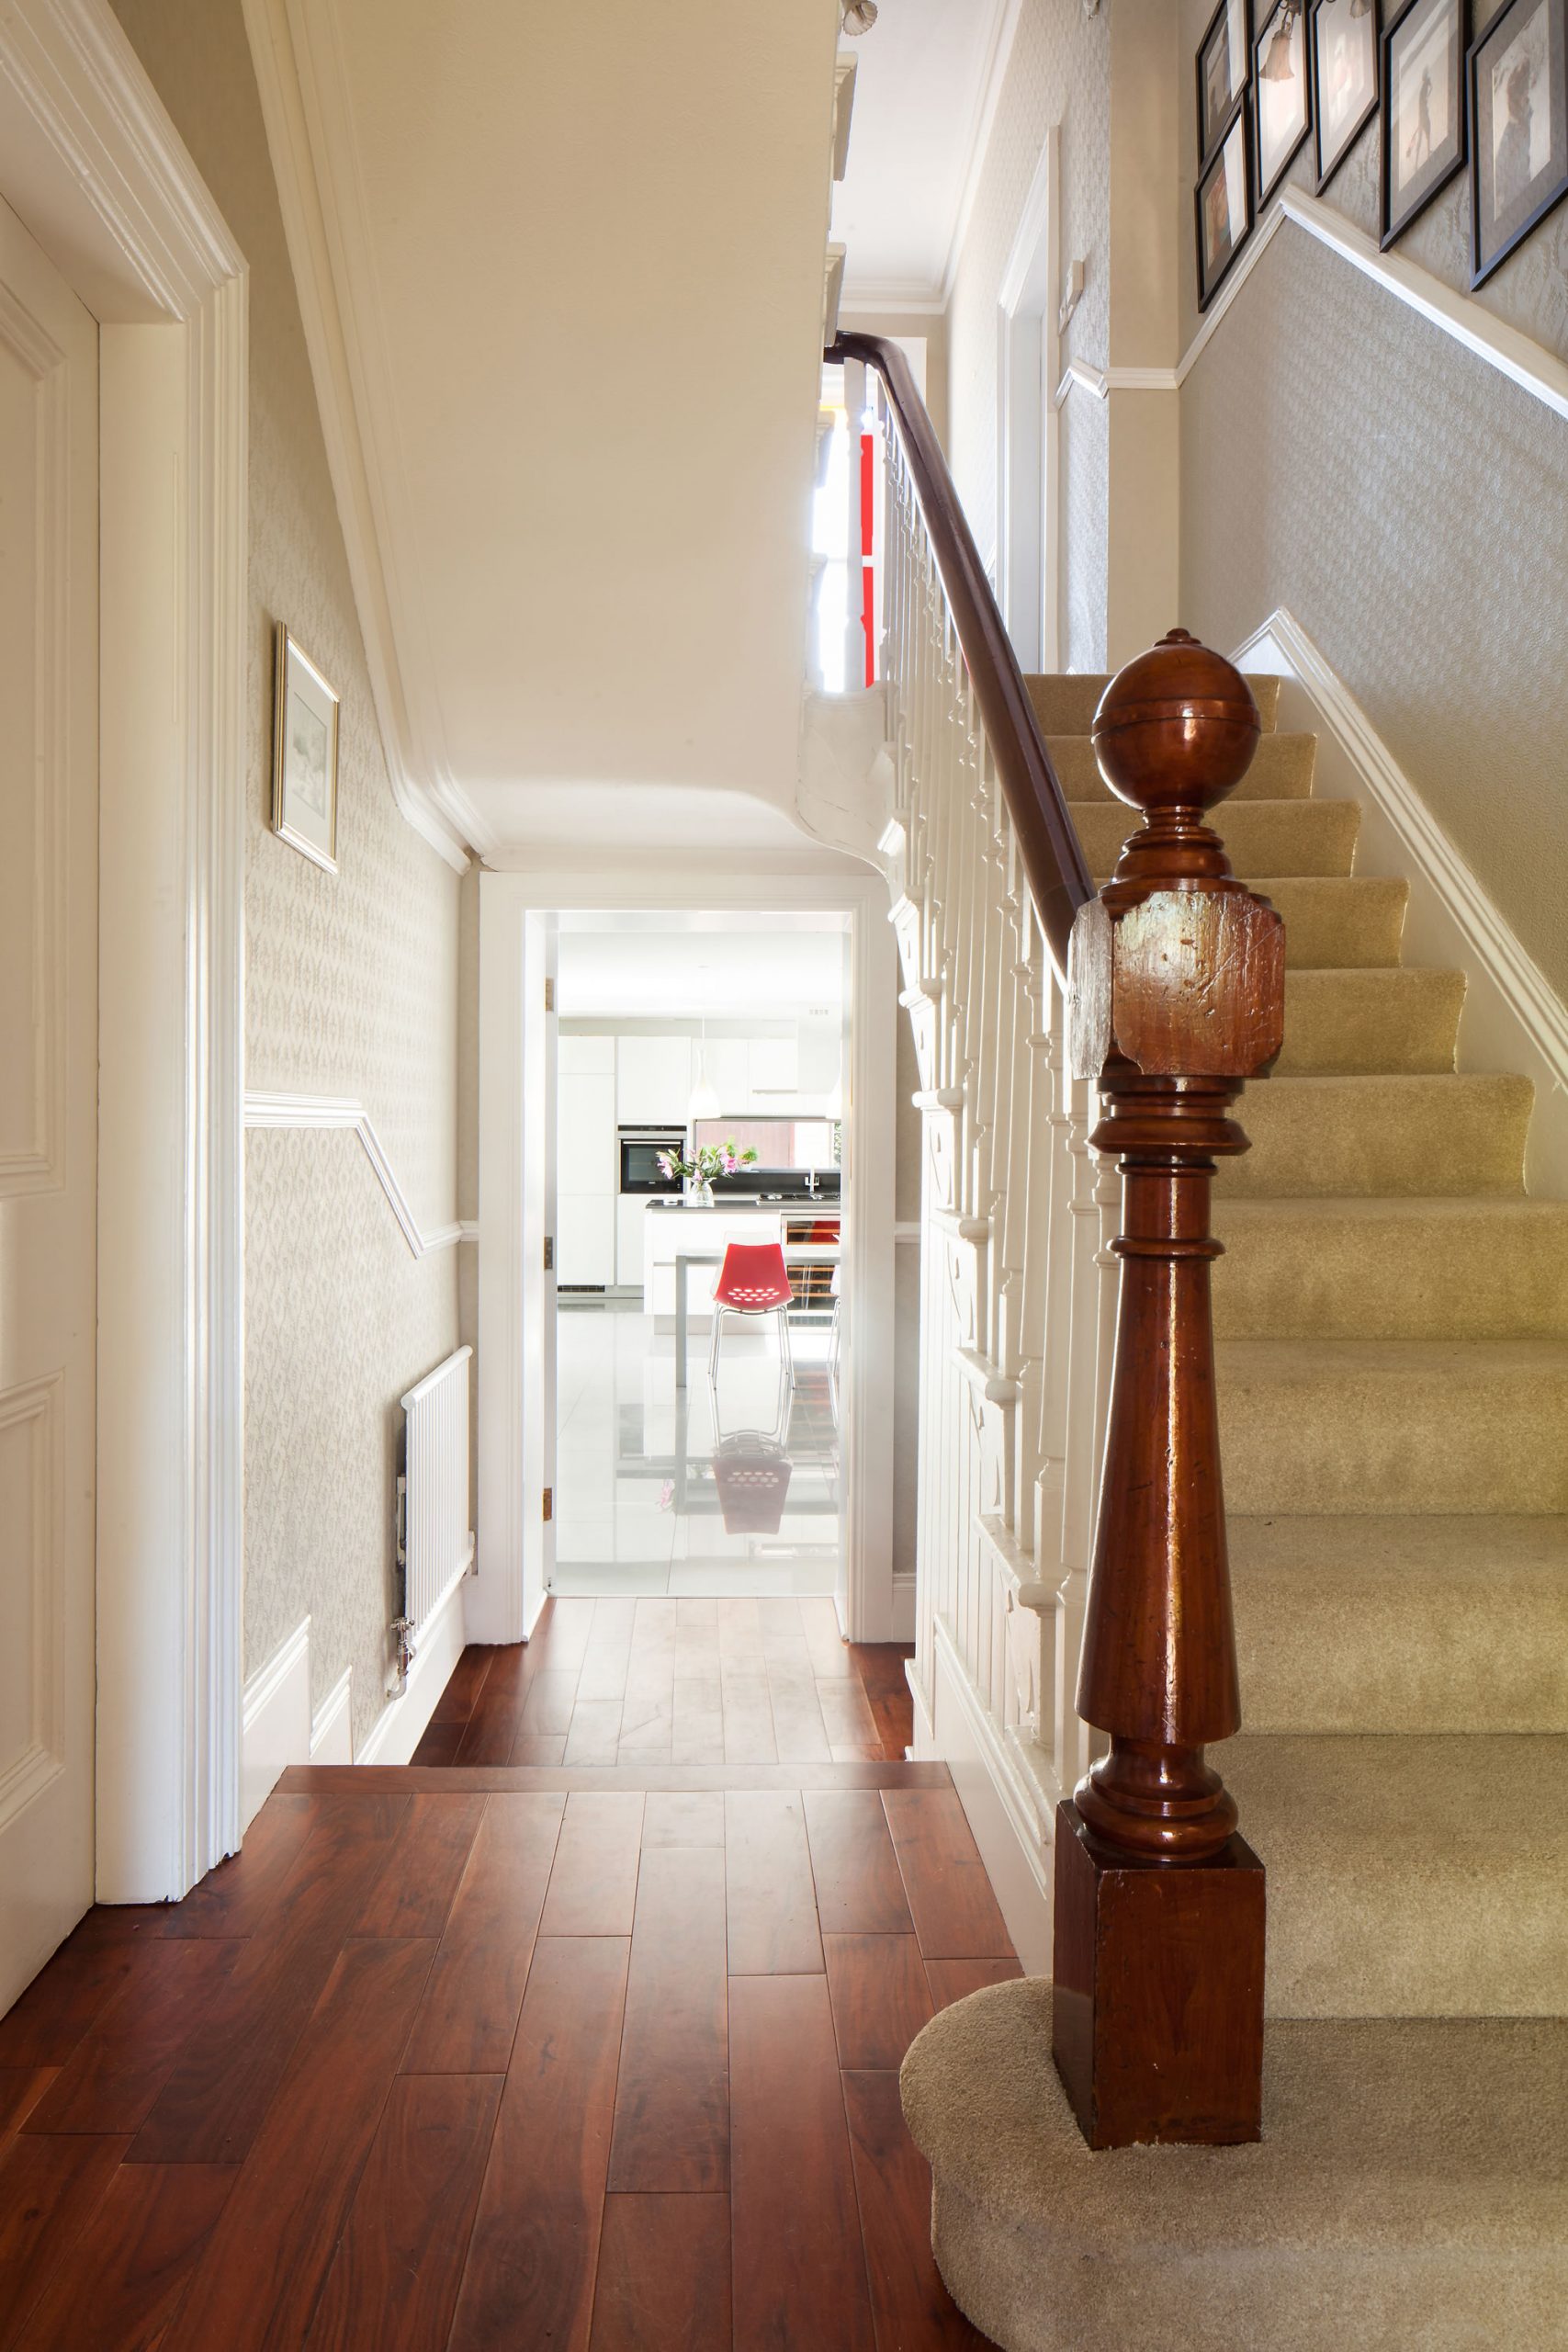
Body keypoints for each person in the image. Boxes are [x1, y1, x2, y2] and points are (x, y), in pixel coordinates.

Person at [1495, 56, 1535, 216]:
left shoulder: (1526, 120)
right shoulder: (1512, 131)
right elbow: (1500, 163)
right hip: (1512, 198)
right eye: (1523, 95)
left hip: (1523, 189)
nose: (1526, 97)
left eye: (1526, 94)